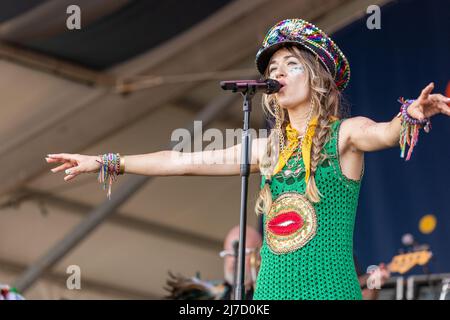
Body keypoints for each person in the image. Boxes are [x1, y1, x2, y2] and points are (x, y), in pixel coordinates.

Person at [45, 19, 450, 300]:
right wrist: (105, 161)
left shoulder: (344, 135)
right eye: (274, 68)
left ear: (319, 79)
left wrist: (409, 116)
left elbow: (383, 133)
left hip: (330, 290)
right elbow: (181, 161)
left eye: (293, 65)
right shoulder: (267, 149)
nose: (281, 73)